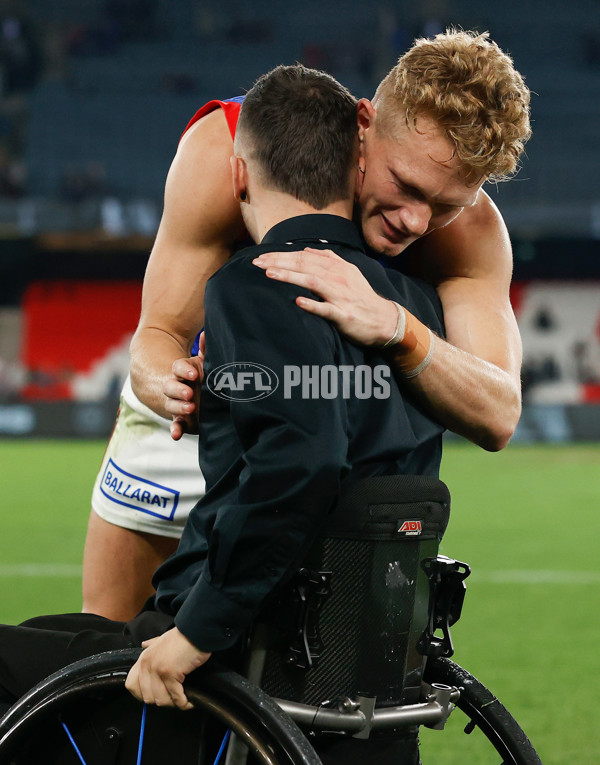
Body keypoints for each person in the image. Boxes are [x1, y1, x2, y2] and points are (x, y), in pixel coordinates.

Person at [0, 65, 446, 764]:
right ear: (356, 166)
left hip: (242, 655)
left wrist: (195, 634)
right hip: (357, 664)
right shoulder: (413, 309)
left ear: (239, 176)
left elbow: (304, 459)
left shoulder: (248, 286)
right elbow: (343, 427)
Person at [83, 29, 531, 621]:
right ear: (363, 125)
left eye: (446, 204)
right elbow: (157, 334)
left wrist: (398, 326)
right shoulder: (234, 151)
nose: (417, 222)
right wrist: (174, 386)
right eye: (406, 186)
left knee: (309, 681)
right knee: (110, 645)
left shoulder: (469, 231)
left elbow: (498, 412)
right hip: (194, 425)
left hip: (328, 448)